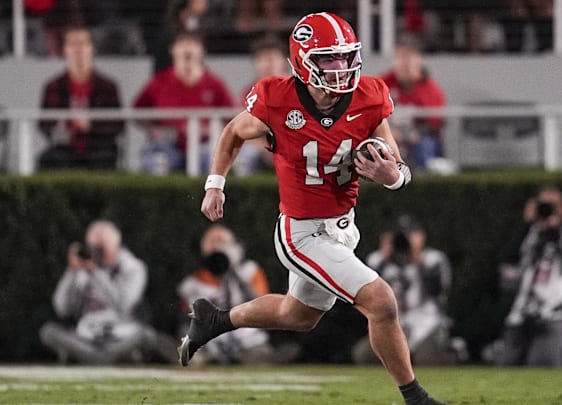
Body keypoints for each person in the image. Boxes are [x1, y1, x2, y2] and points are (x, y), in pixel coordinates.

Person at [180, 12, 445, 405]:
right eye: (329, 60)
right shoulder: (276, 97)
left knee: (296, 316)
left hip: (341, 228)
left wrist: (391, 175)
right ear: (303, 61)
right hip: (301, 233)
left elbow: (400, 170)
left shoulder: (369, 95)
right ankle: (416, 398)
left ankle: (215, 320)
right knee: (381, 301)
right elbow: (234, 132)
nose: (341, 69)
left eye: (345, 57)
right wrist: (215, 184)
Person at [39, 220, 177, 364]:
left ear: (116, 246)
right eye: (93, 247)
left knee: (145, 335)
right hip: (87, 337)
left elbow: (123, 305)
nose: (96, 253)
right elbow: (62, 309)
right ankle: (104, 357)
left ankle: (90, 357)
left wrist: (96, 273)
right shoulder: (82, 270)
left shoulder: (133, 268)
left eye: (101, 248)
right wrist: (71, 271)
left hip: (122, 336)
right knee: (48, 332)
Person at [352, 215, 467, 366]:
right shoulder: (378, 260)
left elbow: (438, 292)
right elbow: (364, 294)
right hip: (392, 323)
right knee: (363, 356)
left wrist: (417, 259)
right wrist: (385, 259)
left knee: (427, 360)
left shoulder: (433, 259)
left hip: (426, 324)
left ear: (421, 236)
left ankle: (453, 349)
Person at [177, 224, 300, 364]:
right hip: (210, 344)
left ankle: (263, 357)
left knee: (260, 358)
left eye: (222, 241)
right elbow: (188, 319)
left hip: (248, 340)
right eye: (212, 241)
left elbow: (263, 304)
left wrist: (234, 271)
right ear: (203, 248)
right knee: (195, 359)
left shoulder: (250, 271)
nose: (217, 246)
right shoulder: (192, 282)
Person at [498, 186, 562, 367]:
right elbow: (507, 263)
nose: (547, 210)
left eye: (552, 205)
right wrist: (525, 224)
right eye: (543, 205)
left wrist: (555, 232)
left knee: (544, 365)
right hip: (521, 312)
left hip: (557, 313)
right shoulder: (531, 232)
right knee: (507, 367)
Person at [134, 31, 234, 174]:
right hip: (168, 146)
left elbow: (231, 119)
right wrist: (155, 129)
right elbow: (138, 112)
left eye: (193, 44)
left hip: (204, 146)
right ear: (173, 50)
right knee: (154, 160)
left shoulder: (214, 84)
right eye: (182, 44)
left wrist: (207, 130)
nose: (187, 49)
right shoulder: (159, 82)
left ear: (202, 50)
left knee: (214, 161)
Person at [38, 26, 125, 170]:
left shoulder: (108, 86)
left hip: (98, 146)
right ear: (65, 50)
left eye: (83, 44)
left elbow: (117, 124)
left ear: (91, 48)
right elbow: (44, 123)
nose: (78, 49)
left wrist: (91, 126)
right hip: (64, 147)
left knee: (104, 157)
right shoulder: (53, 86)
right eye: (73, 44)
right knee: (50, 159)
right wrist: (64, 125)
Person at [380, 35, 446, 170]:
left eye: (409, 58)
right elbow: (372, 114)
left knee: (425, 147)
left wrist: (413, 135)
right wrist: (388, 133)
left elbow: (435, 123)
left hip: (419, 138)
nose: (404, 64)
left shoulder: (430, 89)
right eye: (400, 58)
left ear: (419, 61)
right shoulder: (384, 83)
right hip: (390, 134)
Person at [233, 36, 288, 176]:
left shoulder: (297, 89)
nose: (267, 65)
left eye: (271, 59)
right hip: (260, 147)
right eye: (261, 60)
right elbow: (243, 129)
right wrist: (264, 149)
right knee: (245, 156)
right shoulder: (249, 93)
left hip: (292, 145)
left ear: (283, 61)